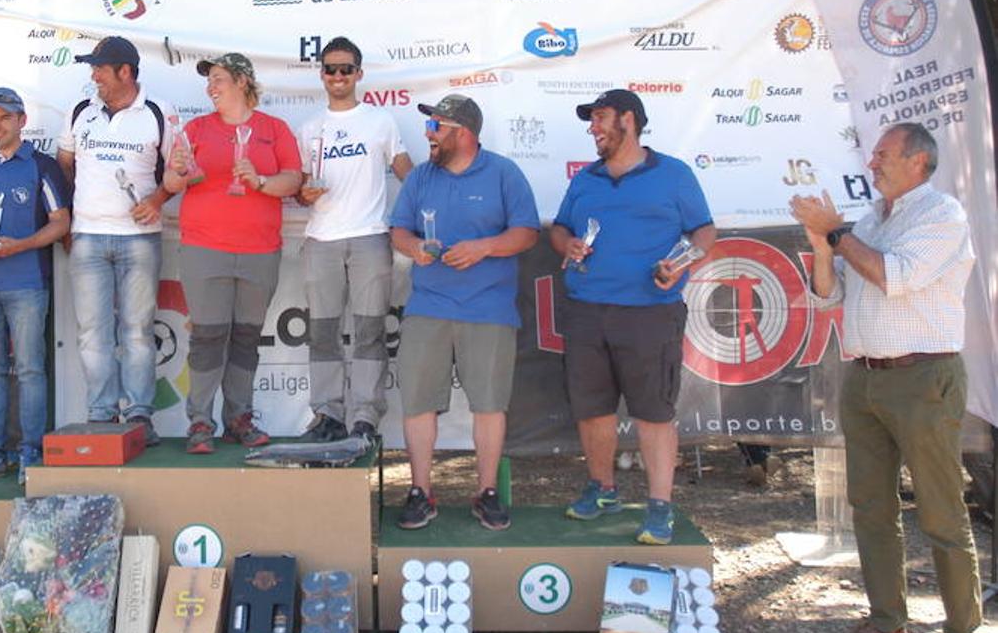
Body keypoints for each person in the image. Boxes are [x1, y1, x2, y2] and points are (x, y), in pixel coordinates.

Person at [790, 122, 983, 633]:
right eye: (873, 154)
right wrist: (819, 242)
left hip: (924, 376)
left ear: (918, 162)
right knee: (871, 506)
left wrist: (837, 233)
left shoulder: (942, 216)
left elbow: (893, 276)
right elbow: (829, 295)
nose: (872, 162)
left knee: (942, 511)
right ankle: (886, 624)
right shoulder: (872, 219)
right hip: (866, 376)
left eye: (883, 154)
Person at [550, 88, 715, 545]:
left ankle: (660, 506)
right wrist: (566, 244)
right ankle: (603, 489)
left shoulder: (674, 174)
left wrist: (682, 262)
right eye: (591, 121)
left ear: (628, 120)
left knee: (654, 412)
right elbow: (561, 228)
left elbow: (703, 230)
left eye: (600, 118)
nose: (593, 128)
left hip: (650, 314)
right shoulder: (586, 179)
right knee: (591, 408)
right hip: (586, 310)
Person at [389, 94, 539, 530]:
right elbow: (399, 229)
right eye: (430, 126)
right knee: (417, 403)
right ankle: (420, 491)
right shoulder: (420, 177)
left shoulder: (504, 173)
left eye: (437, 126)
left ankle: (486, 491)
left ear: (464, 133)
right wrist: (414, 247)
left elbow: (527, 233)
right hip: (427, 306)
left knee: (490, 405)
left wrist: (483, 248)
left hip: (489, 309)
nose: (428, 134)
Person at [163, 53, 302, 454]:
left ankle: (239, 418)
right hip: (205, 248)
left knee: (245, 338)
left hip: (260, 249)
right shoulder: (196, 129)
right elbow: (174, 182)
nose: (211, 87)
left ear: (243, 81)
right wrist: (179, 170)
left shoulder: (274, 129)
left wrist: (258, 181)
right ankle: (200, 422)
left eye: (219, 78)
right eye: (210, 81)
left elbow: (292, 180)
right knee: (208, 337)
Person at [295, 37, 412, 443]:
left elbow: (405, 173)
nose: (338, 76)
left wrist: (435, 205)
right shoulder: (309, 128)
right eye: (331, 69)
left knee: (369, 331)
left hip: (369, 237)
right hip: (321, 238)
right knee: (323, 331)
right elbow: (300, 188)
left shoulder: (381, 122)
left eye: (346, 69)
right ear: (322, 74)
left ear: (359, 73)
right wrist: (302, 194)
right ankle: (328, 413)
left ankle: (365, 416)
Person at [58, 36, 172, 445]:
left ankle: (140, 414)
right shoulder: (79, 111)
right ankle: (102, 415)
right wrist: (73, 217)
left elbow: (177, 171)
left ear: (125, 71)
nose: (94, 76)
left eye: (100, 69)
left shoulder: (158, 112)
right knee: (92, 332)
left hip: (140, 239)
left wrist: (157, 199)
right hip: (88, 236)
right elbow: (65, 164)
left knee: (138, 330)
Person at [0, 87, 71, 484]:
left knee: (29, 370)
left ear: (22, 121)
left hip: (26, 283)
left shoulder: (41, 166)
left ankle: (30, 452)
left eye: (5, 117)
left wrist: (19, 246)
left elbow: (61, 222)